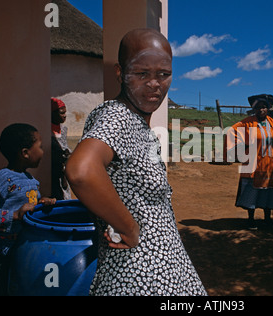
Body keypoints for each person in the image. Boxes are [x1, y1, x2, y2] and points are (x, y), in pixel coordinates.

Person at [65, 28, 207, 296]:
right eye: (142, 74)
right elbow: (81, 171)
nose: (155, 84)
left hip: (165, 270)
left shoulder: (139, 124)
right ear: (120, 73)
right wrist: (128, 227)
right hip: (138, 276)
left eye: (163, 74)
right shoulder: (117, 117)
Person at [0, 123, 56, 296]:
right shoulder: (1, 181)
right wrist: (13, 215)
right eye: (40, 147)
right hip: (0, 254)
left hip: (22, 250)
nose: (43, 152)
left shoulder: (29, 179)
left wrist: (41, 203)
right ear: (25, 153)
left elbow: (28, 207)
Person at [227, 94, 273, 230]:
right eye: (258, 107)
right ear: (254, 109)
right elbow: (232, 132)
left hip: (269, 164)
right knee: (251, 192)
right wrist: (243, 147)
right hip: (253, 164)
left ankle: (267, 219)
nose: (261, 110)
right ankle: (251, 220)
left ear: (268, 108)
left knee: (268, 191)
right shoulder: (246, 123)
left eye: (264, 107)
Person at [51, 97, 72, 200]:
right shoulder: (47, 131)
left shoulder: (63, 129)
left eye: (65, 113)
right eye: (61, 113)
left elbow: (65, 146)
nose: (65, 116)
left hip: (63, 169)